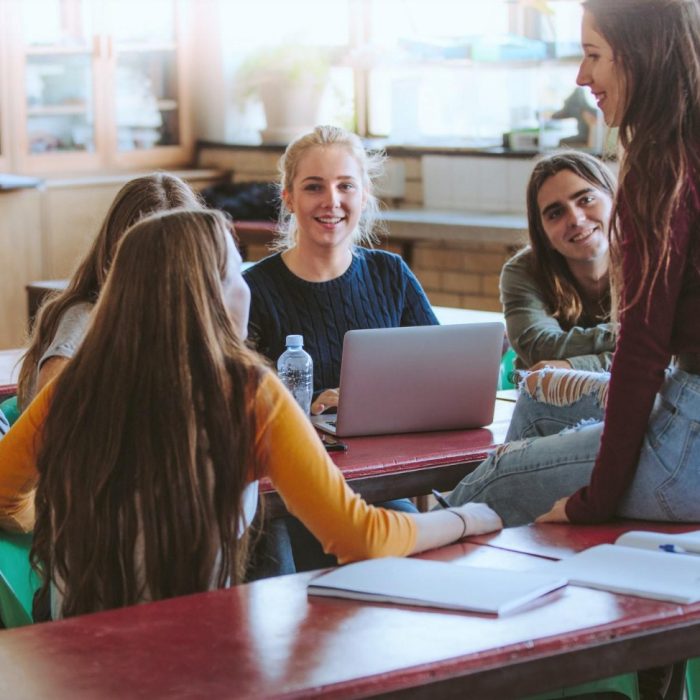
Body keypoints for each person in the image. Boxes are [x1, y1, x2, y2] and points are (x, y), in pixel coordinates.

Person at [0, 208, 502, 619]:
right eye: (236, 273)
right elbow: (360, 538)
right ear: (209, 295)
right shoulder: (247, 394)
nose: (247, 286)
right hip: (196, 655)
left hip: (71, 652)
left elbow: (3, 496)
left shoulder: (74, 388)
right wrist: (464, 518)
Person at [447, 0, 700, 528]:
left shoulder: (662, 168)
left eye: (593, 55)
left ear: (639, 56)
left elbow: (640, 355)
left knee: (497, 477)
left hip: (689, 443)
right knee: (540, 403)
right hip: (683, 403)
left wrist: (592, 503)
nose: (582, 76)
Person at [244, 125, 438, 415]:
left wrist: (366, 400)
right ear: (289, 198)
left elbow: (437, 374)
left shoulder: (391, 273)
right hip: (301, 451)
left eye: (345, 186)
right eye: (314, 187)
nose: (331, 201)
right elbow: (236, 402)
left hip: (392, 444)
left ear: (363, 195)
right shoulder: (253, 290)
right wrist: (310, 406)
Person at [16, 173, 202, 411]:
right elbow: (46, 416)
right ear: (117, 251)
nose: (164, 269)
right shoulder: (84, 318)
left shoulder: (184, 317)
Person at [501, 150, 616, 372]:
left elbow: (674, 359)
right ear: (543, 234)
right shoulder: (523, 270)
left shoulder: (658, 259)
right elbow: (538, 348)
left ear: (615, 200)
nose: (575, 219)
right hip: (549, 404)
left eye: (587, 199)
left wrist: (569, 366)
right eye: (555, 213)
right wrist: (627, 337)